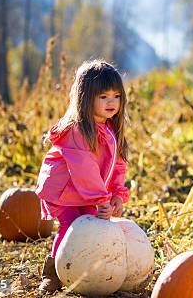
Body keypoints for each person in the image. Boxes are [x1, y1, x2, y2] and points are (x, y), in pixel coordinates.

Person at [35, 60, 130, 293]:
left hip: (85, 193)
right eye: (103, 96)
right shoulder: (77, 131)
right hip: (63, 189)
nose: (111, 102)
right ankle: (54, 272)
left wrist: (117, 194)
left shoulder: (110, 130)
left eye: (116, 96)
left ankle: (85, 270)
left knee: (91, 227)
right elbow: (84, 170)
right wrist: (101, 200)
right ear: (86, 97)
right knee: (71, 228)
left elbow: (117, 165)